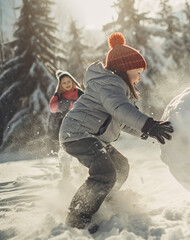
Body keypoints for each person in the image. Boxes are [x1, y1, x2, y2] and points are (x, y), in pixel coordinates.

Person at [59, 32, 174, 232]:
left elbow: (123, 121)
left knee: (121, 167)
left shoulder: (116, 89)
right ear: (124, 69)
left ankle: (101, 202)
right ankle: (77, 216)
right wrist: (149, 124)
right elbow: (120, 109)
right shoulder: (110, 85)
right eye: (137, 72)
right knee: (104, 172)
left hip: (91, 136)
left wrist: (148, 132)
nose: (139, 78)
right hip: (78, 134)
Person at [48, 70, 84, 176]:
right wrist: (62, 104)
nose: (67, 84)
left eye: (69, 81)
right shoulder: (59, 95)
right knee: (65, 149)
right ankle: (65, 171)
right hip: (64, 126)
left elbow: (87, 103)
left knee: (81, 146)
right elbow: (52, 108)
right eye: (64, 83)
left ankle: (82, 170)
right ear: (60, 85)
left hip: (80, 125)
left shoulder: (79, 92)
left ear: (73, 82)